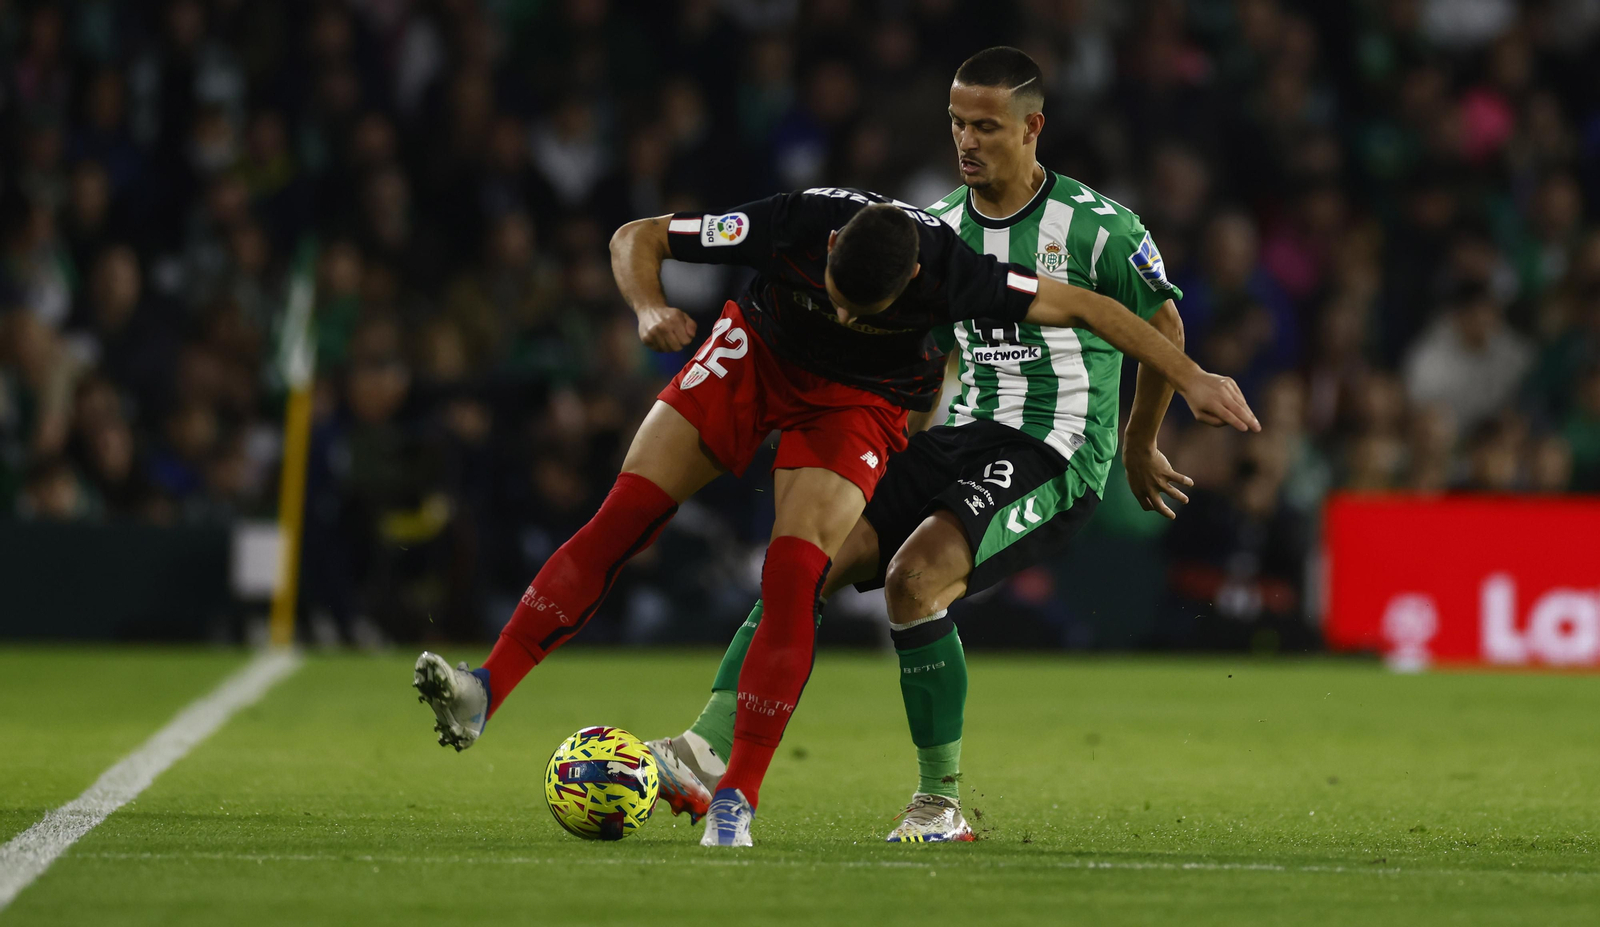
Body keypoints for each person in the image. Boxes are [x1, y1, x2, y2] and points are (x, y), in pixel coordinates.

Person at [413, 181, 1256, 848]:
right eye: (840, 295)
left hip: (854, 404)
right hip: (759, 352)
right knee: (622, 517)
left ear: (913, 287)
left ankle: (735, 797)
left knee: (794, 572)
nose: (850, 314)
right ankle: (484, 689)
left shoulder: (955, 268)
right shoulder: (793, 220)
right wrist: (648, 307)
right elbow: (638, 236)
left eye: (868, 310)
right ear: (828, 253)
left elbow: (1096, 310)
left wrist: (1190, 377)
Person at [647, 47, 1211, 843]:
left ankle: (939, 802)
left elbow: (1163, 326)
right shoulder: (936, 231)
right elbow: (932, 349)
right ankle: (704, 744)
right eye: (957, 125)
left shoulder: (1096, 228)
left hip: (1054, 448)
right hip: (960, 434)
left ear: (1032, 128)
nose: (968, 142)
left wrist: (1136, 443)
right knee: (808, 555)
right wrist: (901, 442)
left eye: (986, 126)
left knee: (915, 579)